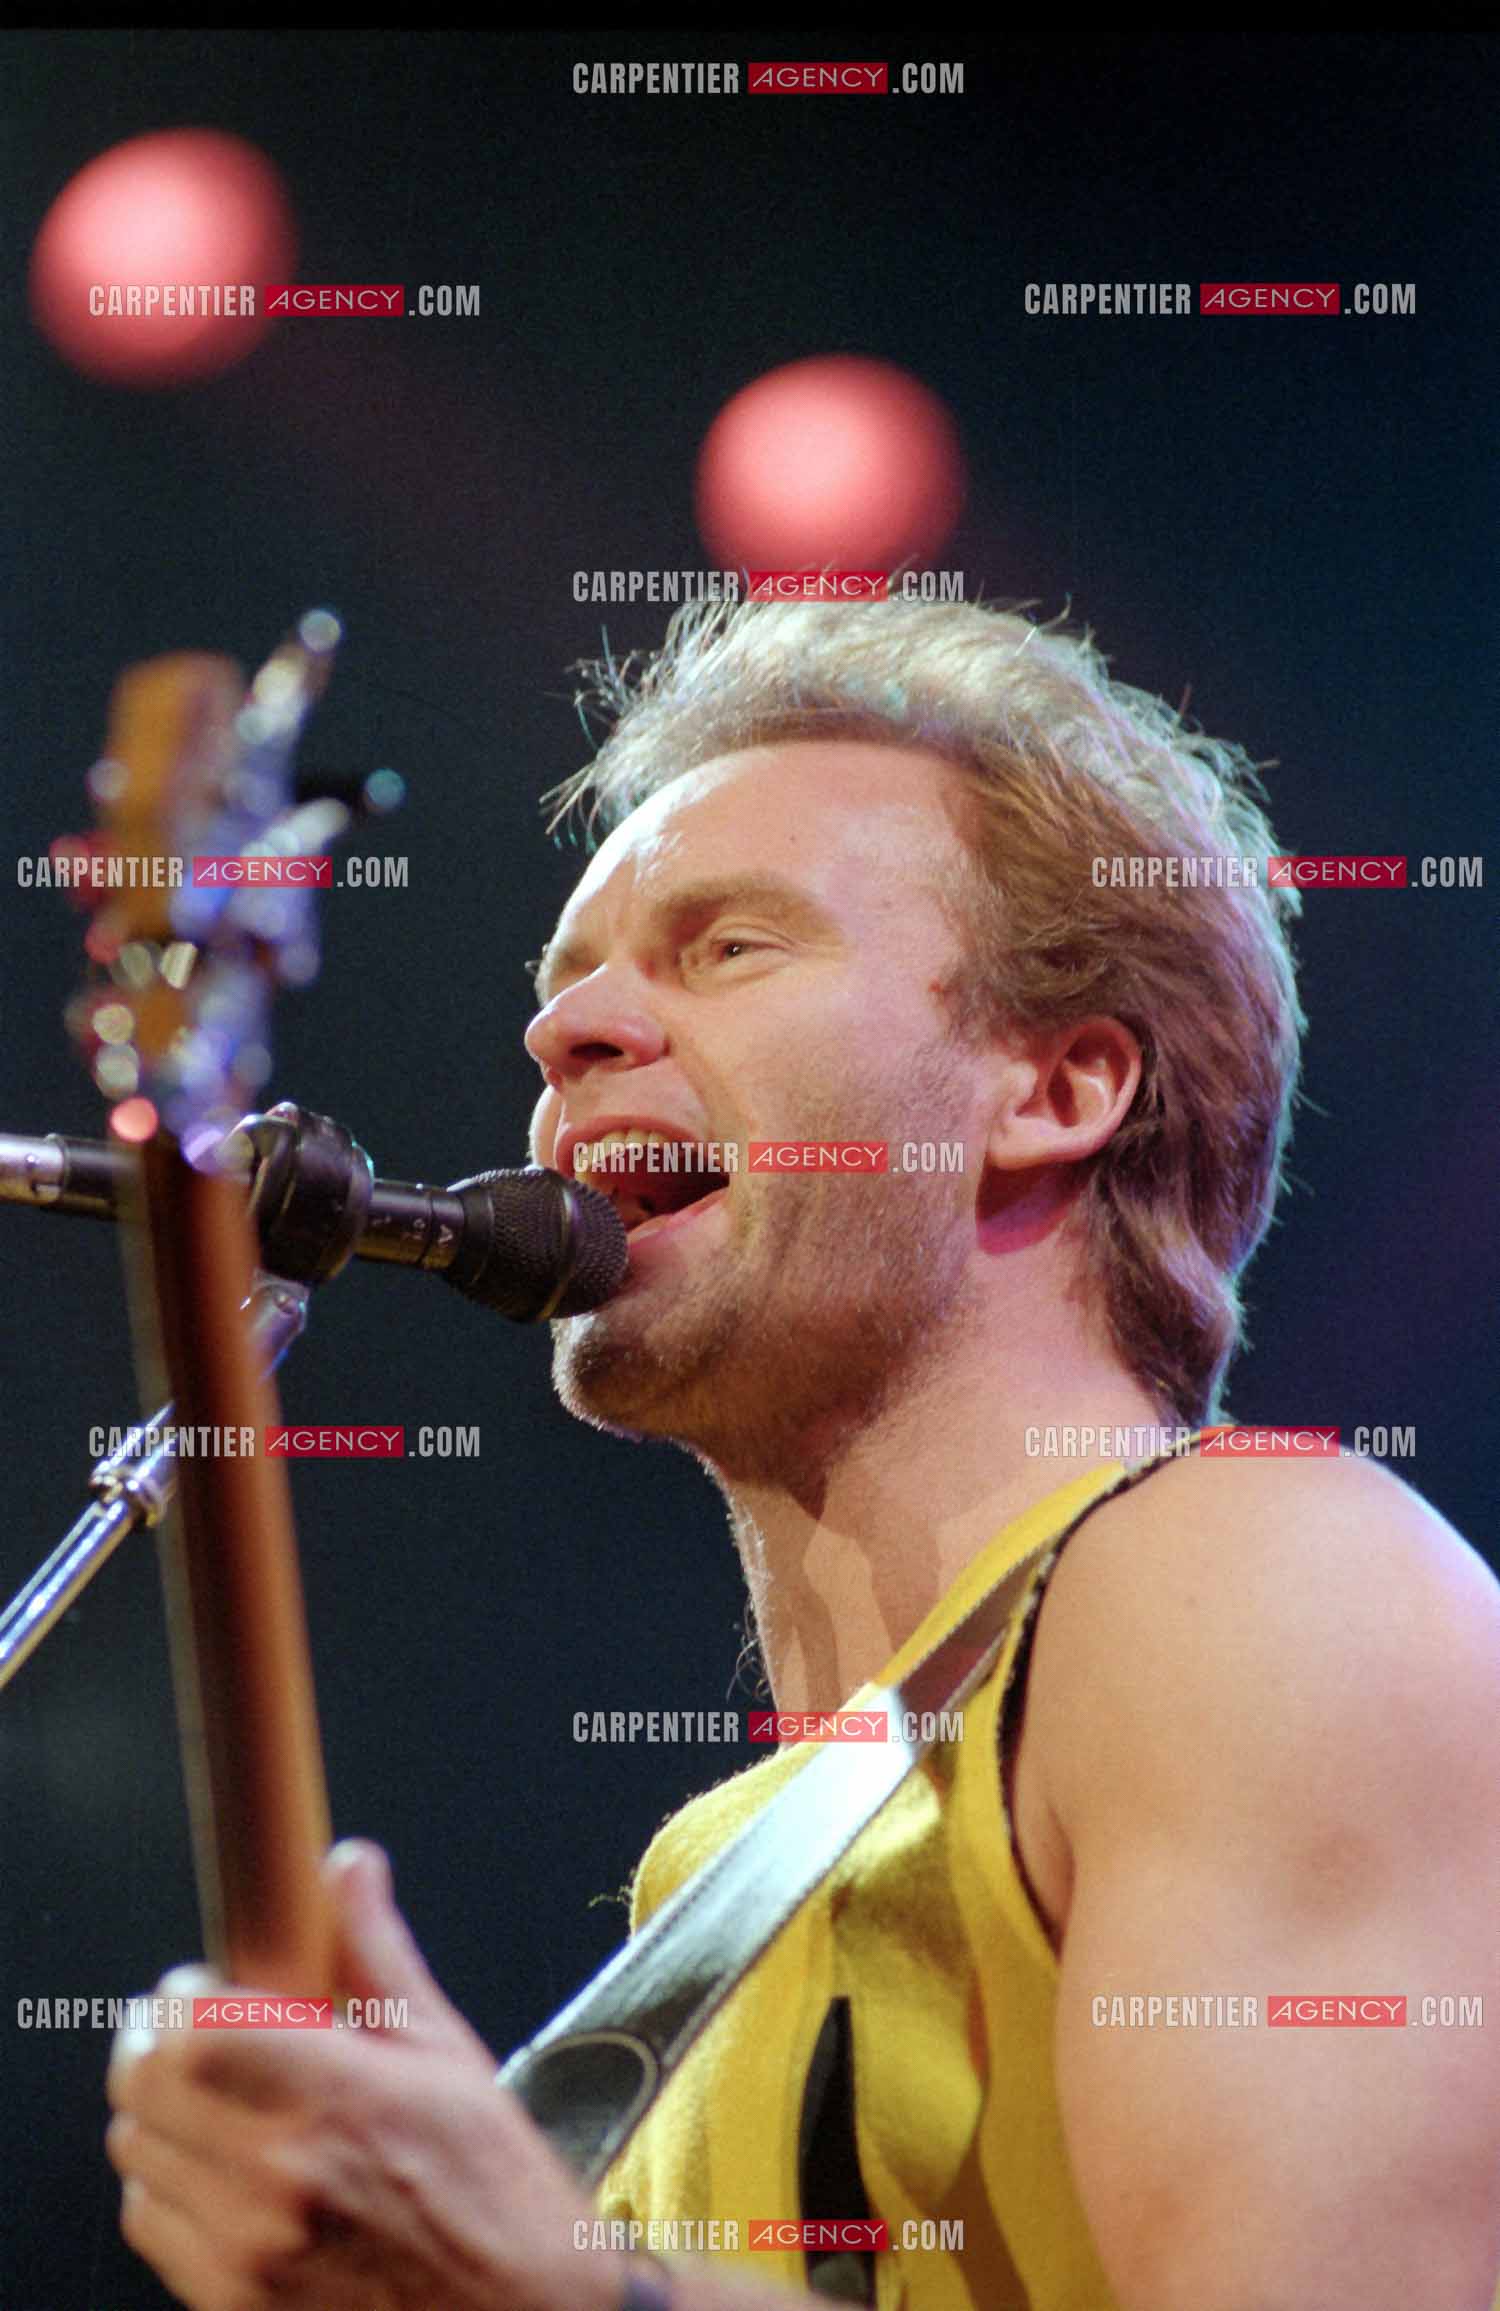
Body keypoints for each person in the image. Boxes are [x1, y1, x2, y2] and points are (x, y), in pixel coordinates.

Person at [107, 596, 1500, 2311]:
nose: (568, 1034)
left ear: (1054, 1091)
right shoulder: (726, 1864)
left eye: (730, 946)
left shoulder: (1265, 1582)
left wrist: (570, 2289)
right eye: (568, 986)